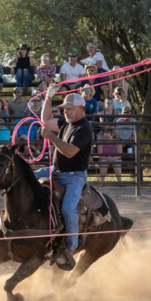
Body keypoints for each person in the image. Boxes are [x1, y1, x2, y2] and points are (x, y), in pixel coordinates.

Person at [35, 85, 93, 271]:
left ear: (80, 108)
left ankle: (71, 246)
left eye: (69, 108)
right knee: (27, 178)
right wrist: (48, 96)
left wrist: (51, 138)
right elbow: (45, 120)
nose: (66, 111)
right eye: (65, 109)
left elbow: (69, 152)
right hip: (56, 170)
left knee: (69, 210)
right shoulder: (67, 123)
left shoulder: (84, 129)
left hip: (74, 177)